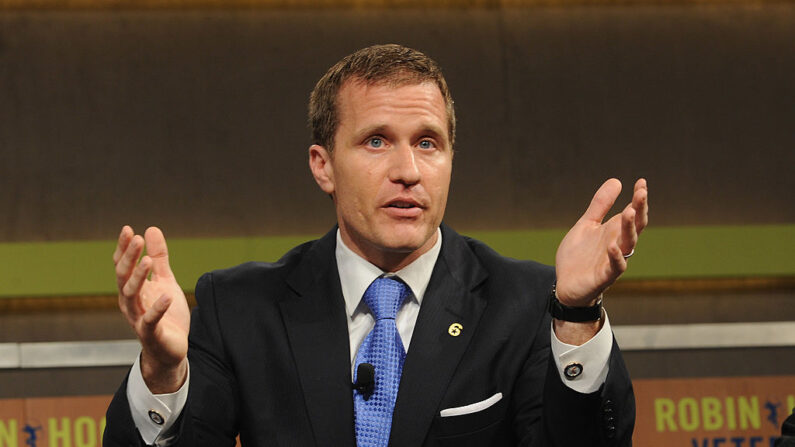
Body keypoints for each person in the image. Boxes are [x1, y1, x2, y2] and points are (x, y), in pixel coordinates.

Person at [104, 44, 648, 446]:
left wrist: (576, 314)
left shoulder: (527, 302)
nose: (408, 171)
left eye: (428, 143)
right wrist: (163, 375)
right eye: (376, 141)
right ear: (323, 166)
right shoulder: (240, 308)